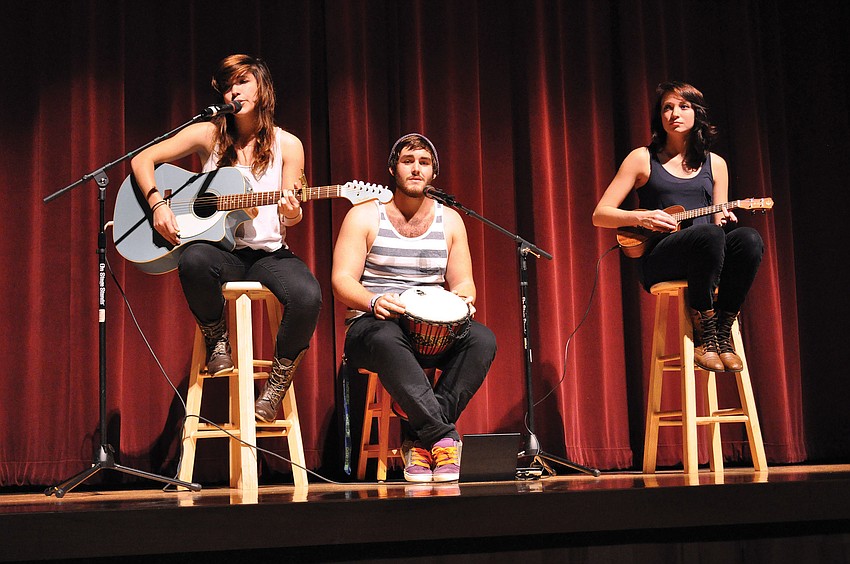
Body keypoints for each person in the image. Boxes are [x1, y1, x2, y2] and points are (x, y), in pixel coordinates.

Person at [130, 54, 322, 422]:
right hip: (223, 253)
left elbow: (291, 213)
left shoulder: (289, 145)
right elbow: (142, 159)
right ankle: (217, 335)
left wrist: (292, 209)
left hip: (269, 255)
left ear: (263, 87)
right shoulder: (209, 133)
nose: (234, 90)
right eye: (228, 85)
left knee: (307, 295)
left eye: (243, 81)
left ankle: (276, 385)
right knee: (193, 259)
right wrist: (157, 205)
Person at [332, 133, 497, 482]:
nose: (416, 168)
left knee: (482, 340)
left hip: (433, 332)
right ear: (393, 168)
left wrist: (463, 299)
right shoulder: (364, 216)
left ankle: (419, 439)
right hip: (375, 325)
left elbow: (465, 282)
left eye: (424, 163)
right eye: (408, 161)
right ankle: (442, 437)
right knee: (387, 338)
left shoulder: (450, 220)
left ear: (433, 172)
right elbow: (341, 281)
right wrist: (374, 301)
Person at [592, 81, 764, 373]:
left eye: (683, 106)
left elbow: (717, 222)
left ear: (697, 113)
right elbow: (600, 214)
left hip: (707, 258)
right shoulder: (642, 159)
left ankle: (722, 331)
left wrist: (725, 219)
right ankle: (704, 335)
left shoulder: (716, 164)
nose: (674, 113)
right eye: (667, 108)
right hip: (661, 257)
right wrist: (641, 218)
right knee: (709, 235)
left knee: (748, 239)